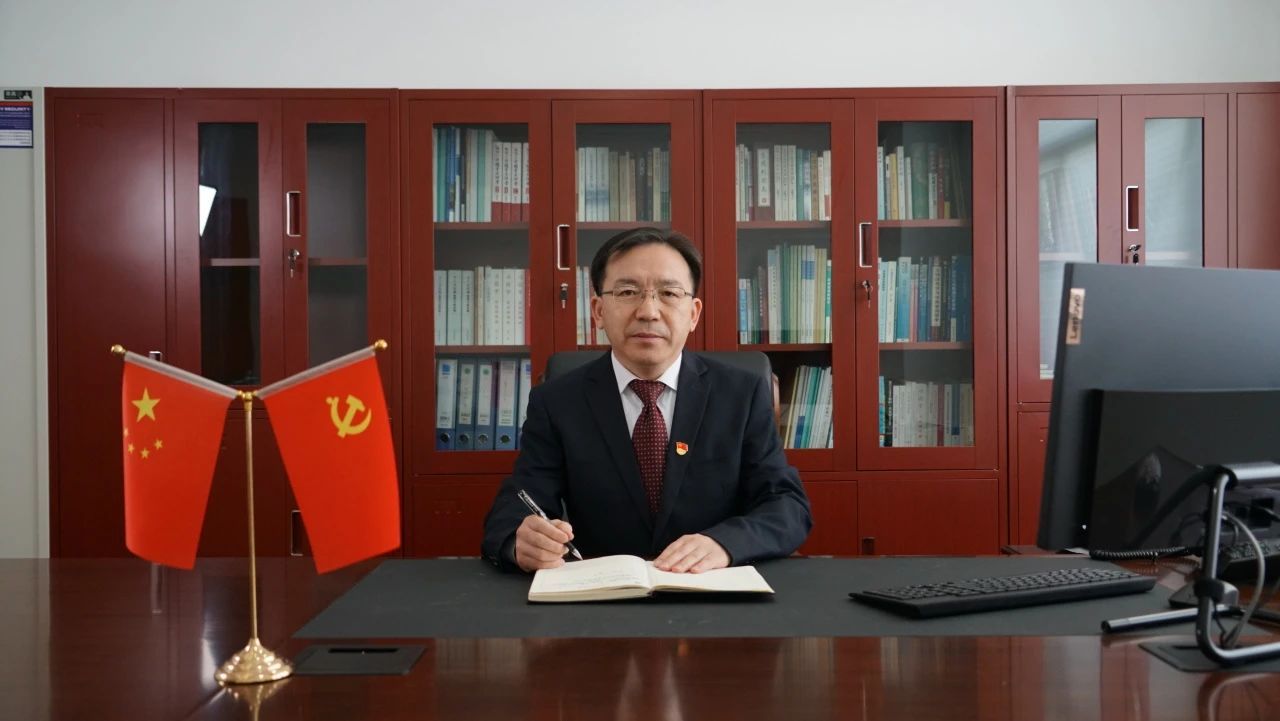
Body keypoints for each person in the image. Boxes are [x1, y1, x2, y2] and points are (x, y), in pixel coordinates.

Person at [481, 227, 811, 573]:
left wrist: (725, 544)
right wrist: (521, 540)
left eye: (669, 293)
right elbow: (517, 506)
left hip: (713, 590)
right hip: (602, 593)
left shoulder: (741, 394)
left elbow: (787, 505)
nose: (649, 311)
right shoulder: (557, 401)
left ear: (694, 313)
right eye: (627, 292)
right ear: (598, 311)